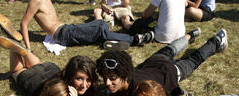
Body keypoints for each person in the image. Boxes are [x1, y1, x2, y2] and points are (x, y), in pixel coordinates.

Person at [96, 29, 227, 96]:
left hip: (170, 71)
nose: (107, 83)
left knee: (194, 60)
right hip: (155, 61)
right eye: (105, 78)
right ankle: (190, 35)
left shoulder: (138, 88)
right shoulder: (125, 76)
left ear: (124, 75)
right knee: (171, 49)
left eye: (112, 79)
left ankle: (217, 40)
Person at [20, 0, 154, 52]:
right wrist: (27, 48)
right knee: (100, 26)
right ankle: (135, 39)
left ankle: (115, 40)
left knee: (99, 28)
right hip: (63, 35)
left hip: (66, 29)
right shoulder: (35, 1)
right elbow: (24, 23)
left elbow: (46, 19)